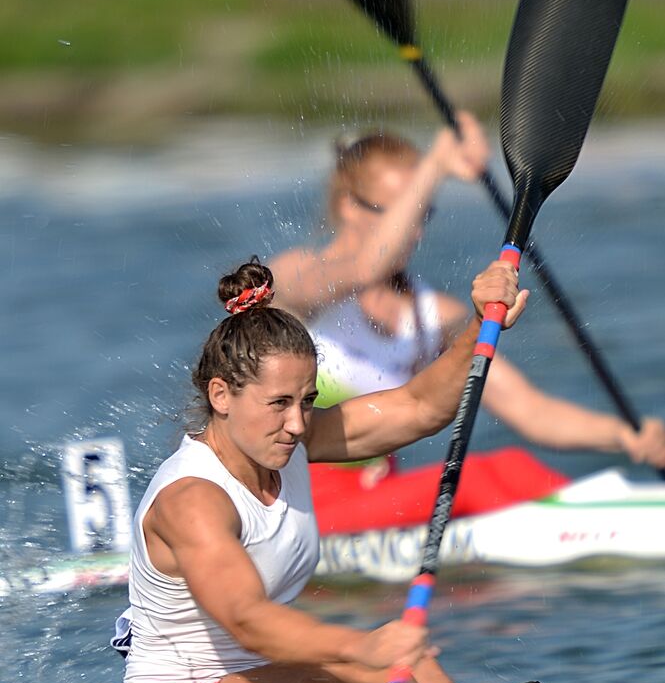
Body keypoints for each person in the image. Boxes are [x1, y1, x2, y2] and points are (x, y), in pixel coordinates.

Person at [113, 256, 526, 683]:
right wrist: (361, 646)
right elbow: (246, 618)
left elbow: (419, 407)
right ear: (220, 395)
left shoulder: (287, 442)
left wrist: (478, 323)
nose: (296, 424)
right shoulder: (193, 499)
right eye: (279, 404)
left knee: (414, 663)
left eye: (307, 402)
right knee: (374, 662)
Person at [269, 119, 665, 471]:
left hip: (376, 498)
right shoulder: (297, 277)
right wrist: (437, 163)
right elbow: (365, 268)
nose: (415, 231)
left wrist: (627, 435)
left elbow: (529, 410)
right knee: (488, 478)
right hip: (301, 490)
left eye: (423, 213)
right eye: (401, 213)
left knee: (511, 467)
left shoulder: (433, 315)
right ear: (349, 207)